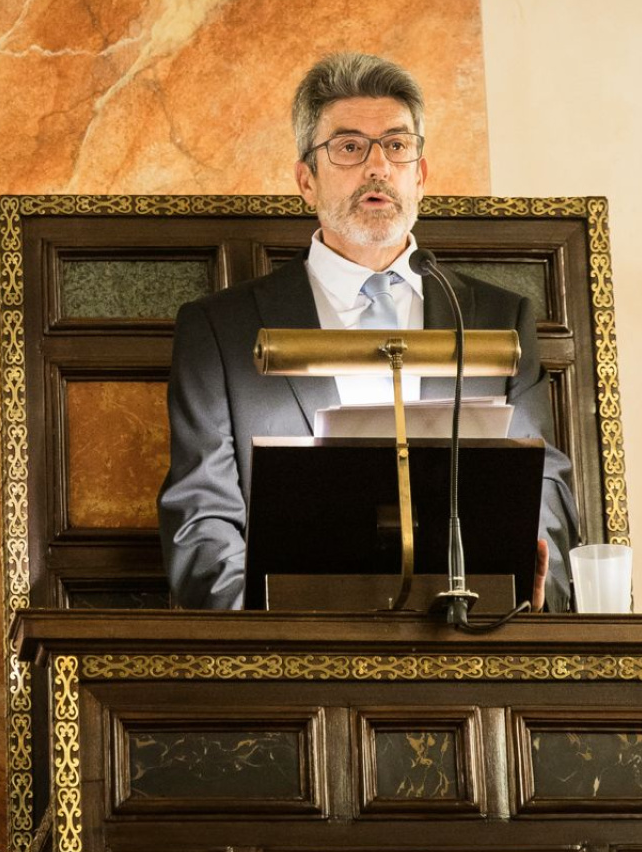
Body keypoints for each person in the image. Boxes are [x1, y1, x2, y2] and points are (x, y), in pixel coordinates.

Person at [157, 52, 577, 610]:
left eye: (397, 146)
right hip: (290, 650)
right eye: (350, 147)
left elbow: (541, 488)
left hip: (468, 637)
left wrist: (529, 595)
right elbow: (201, 518)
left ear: (420, 176)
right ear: (307, 180)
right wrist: (269, 637)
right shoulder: (221, 330)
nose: (378, 166)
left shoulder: (498, 321)